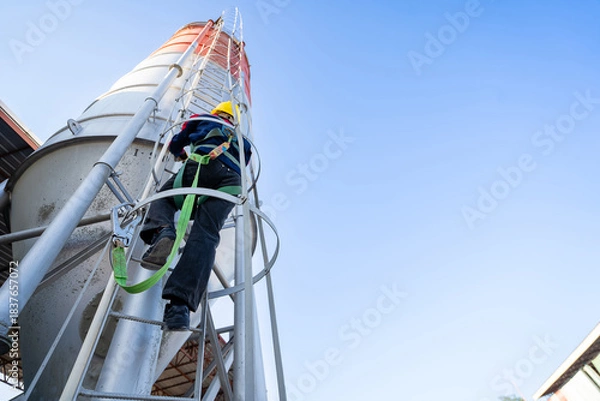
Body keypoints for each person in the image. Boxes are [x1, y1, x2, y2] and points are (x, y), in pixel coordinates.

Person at [139, 101, 252, 330]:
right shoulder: (244, 140)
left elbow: (176, 144)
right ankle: (179, 308)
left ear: (218, 112)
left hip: (204, 162)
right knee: (206, 235)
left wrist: (180, 154)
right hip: (231, 183)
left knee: (165, 199)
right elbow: (244, 163)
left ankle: (163, 233)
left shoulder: (202, 118)